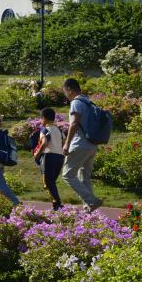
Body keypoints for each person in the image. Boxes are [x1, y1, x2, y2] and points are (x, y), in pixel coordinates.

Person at [61, 78, 105, 211]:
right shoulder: (89, 102)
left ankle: (91, 200)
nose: (65, 95)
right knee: (84, 177)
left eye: (64, 92)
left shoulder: (76, 102)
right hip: (92, 145)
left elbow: (74, 123)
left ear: (70, 90)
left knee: (67, 174)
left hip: (80, 144)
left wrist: (66, 144)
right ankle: (88, 207)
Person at [34, 107, 65, 210]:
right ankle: (56, 204)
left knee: (47, 183)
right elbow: (64, 143)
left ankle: (57, 204)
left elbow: (44, 143)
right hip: (60, 157)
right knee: (52, 181)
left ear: (44, 119)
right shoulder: (59, 130)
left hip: (49, 156)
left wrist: (37, 154)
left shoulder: (44, 130)